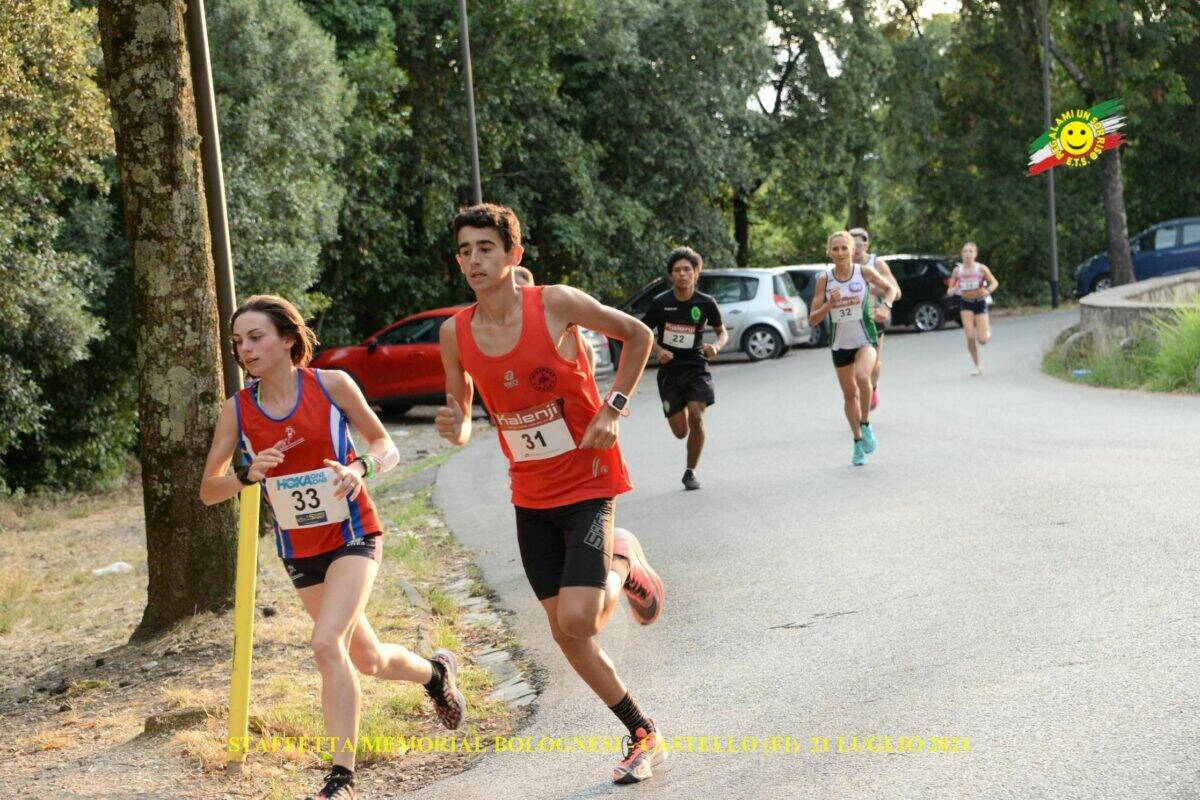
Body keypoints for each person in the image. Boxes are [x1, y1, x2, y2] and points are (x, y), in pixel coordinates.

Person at [435, 203, 667, 784]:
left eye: (485, 248)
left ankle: (625, 561)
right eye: (464, 251)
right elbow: (462, 413)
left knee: (580, 619)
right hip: (531, 495)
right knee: (567, 635)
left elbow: (637, 335)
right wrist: (455, 424)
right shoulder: (454, 333)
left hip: (589, 478)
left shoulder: (554, 303)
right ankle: (643, 732)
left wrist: (613, 407)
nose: (473, 260)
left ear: (514, 255)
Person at [199, 295, 466, 800]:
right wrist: (244, 473)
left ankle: (339, 779)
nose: (245, 349)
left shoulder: (332, 384)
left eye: (255, 337)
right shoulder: (237, 410)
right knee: (366, 659)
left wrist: (358, 468)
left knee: (326, 645)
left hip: (353, 535)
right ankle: (435, 673)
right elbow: (207, 489)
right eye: (238, 342)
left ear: (288, 340)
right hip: (299, 548)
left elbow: (387, 447)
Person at [808, 231, 898, 466]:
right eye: (835, 249)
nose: (839, 253)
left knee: (862, 376)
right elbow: (812, 319)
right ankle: (857, 441)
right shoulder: (824, 280)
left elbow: (891, 289)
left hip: (865, 339)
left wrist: (885, 307)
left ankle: (866, 425)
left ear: (852, 250)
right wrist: (830, 304)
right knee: (849, 396)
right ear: (829, 252)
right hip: (840, 346)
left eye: (844, 248)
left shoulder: (864, 272)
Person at [641, 247, 727, 490]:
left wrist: (717, 347)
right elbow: (643, 333)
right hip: (669, 372)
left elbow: (722, 332)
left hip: (697, 367)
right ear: (671, 275)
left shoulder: (706, 302)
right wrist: (658, 350)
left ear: (696, 273)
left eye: (687, 269)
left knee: (697, 418)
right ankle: (679, 412)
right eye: (677, 270)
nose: (682, 274)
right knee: (680, 431)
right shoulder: (661, 303)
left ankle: (690, 472)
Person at [849, 227, 900, 410]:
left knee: (874, 366)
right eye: (851, 243)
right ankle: (861, 398)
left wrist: (878, 294)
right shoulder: (842, 265)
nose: (855, 247)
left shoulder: (877, 264)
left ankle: (873, 387)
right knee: (856, 367)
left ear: (866, 244)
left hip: (874, 319)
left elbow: (897, 292)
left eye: (859, 243)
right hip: (851, 322)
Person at [513, 265, 596, 374]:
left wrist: (587, 381)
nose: (521, 295)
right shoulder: (500, 327)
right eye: (516, 290)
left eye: (525, 290)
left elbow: (588, 350)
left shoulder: (552, 316)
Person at [945, 242, 999, 375]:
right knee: (970, 337)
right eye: (965, 251)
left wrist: (988, 291)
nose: (967, 254)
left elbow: (994, 282)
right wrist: (952, 290)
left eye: (970, 251)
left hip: (980, 302)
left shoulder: (981, 269)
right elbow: (950, 288)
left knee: (982, 340)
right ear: (962, 254)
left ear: (975, 254)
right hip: (966, 303)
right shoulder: (958, 271)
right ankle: (977, 366)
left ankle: (987, 330)